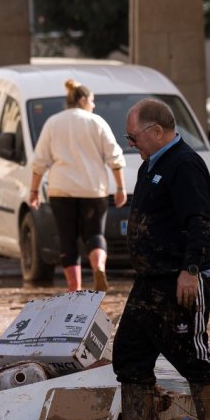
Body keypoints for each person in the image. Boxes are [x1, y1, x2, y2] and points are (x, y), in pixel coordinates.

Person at [95, 98, 210, 420]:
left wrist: (191, 270)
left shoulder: (185, 165)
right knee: (130, 352)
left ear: (156, 131)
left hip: (178, 280)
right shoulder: (151, 165)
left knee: (193, 357)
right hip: (148, 281)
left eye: (133, 137)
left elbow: (200, 221)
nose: (130, 143)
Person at [28, 79, 126, 291]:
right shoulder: (96, 122)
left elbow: (39, 162)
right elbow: (114, 157)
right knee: (95, 235)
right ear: (82, 100)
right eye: (92, 101)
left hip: (61, 190)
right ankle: (98, 266)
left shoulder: (53, 123)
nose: (94, 105)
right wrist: (120, 188)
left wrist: (34, 191)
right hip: (93, 190)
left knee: (67, 238)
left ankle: (75, 288)